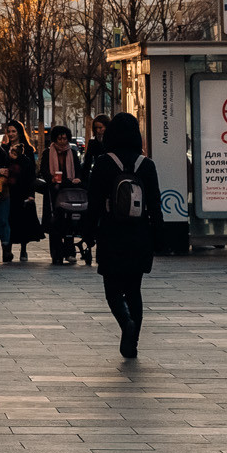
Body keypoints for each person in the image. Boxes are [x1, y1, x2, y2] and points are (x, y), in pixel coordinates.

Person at [86, 113, 163, 358]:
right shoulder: (146, 165)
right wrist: (158, 236)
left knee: (112, 288)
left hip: (112, 232)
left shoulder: (103, 163)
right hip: (140, 234)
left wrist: (88, 233)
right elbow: (155, 203)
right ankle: (133, 341)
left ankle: (125, 323)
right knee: (134, 289)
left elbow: (94, 203)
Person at [37, 125, 87, 265]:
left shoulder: (72, 152)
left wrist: (77, 178)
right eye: (60, 138)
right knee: (55, 222)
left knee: (70, 219)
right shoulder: (48, 153)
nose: (62, 141)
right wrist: (51, 179)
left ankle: (70, 251)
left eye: (65, 138)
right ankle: (57, 252)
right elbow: (44, 169)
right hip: (54, 191)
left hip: (69, 191)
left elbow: (78, 169)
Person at [0, 121, 39, 263]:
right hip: (9, 189)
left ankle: (23, 249)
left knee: (23, 219)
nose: (11, 134)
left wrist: (31, 193)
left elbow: (31, 173)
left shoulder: (27, 149)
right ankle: (7, 250)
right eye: (9, 131)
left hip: (22, 189)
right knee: (7, 219)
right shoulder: (4, 148)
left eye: (14, 131)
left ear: (19, 132)